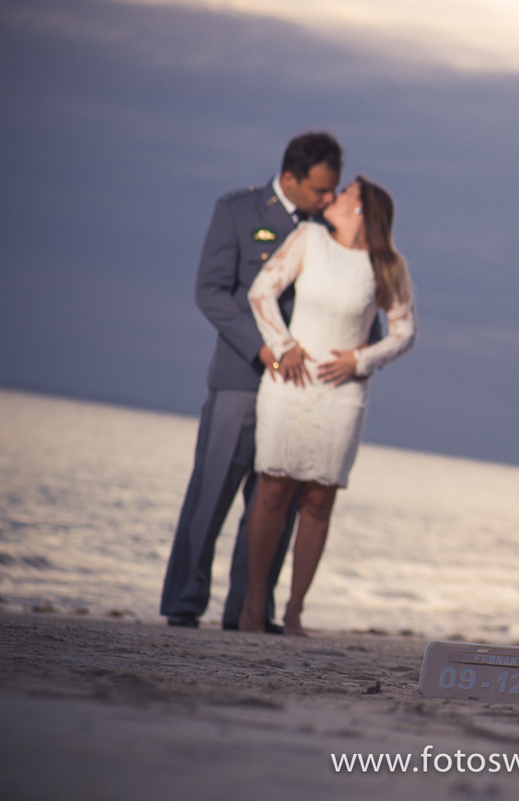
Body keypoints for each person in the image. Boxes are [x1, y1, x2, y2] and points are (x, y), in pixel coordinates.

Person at [161, 132, 380, 631]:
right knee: (211, 493)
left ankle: (247, 610)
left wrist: (359, 359)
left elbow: (364, 307)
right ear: (289, 179)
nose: (329, 201)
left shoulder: (334, 231)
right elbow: (211, 292)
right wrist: (266, 350)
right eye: (320, 191)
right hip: (243, 377)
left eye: (334, 191)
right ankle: (184, 603)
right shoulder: (237, 212)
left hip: (302, 393)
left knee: (274, 504)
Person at [240, 176, 416, 636]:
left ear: (361, 209)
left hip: (342, 396)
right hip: (289, 382)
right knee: (273, 489)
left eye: (344, 194)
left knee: (318, 501)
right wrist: (283, 346)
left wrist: (361, 359)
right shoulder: (309, 239)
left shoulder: (388, 266)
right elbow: (261, 292)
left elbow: (404, 333)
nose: (332, 198)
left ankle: (295, 612)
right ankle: (253, 603)